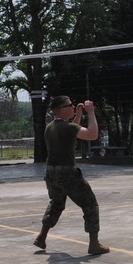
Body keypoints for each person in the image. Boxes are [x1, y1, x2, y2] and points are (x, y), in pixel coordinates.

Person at [34, 96, 109, 255]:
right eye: (70, 105)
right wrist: (91, 112)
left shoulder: (50, 127)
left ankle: (42, 236)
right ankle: (94, 244)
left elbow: (72, 129)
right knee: (90, 204)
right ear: (62, 109)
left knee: (56, 203)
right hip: (67, 173)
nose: (73, 106)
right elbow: (92, 134)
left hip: (51, 173)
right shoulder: (67, 128)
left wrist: (79, 114)